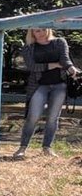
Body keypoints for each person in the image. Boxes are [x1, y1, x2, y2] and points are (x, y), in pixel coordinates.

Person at [14, 27, 78, 158]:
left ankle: (47, 148)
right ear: (32, 33)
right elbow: (32, 67)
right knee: (33, 116)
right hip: (39, 85)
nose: (41, 33)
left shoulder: (59, 42)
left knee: (53, 118)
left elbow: (65, 59)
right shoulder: (28, 47)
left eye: (43, 29)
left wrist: (71, 68)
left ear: (48, 29)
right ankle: (22, 147)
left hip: (59, 84)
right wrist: (53, 65)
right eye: (37, 31)